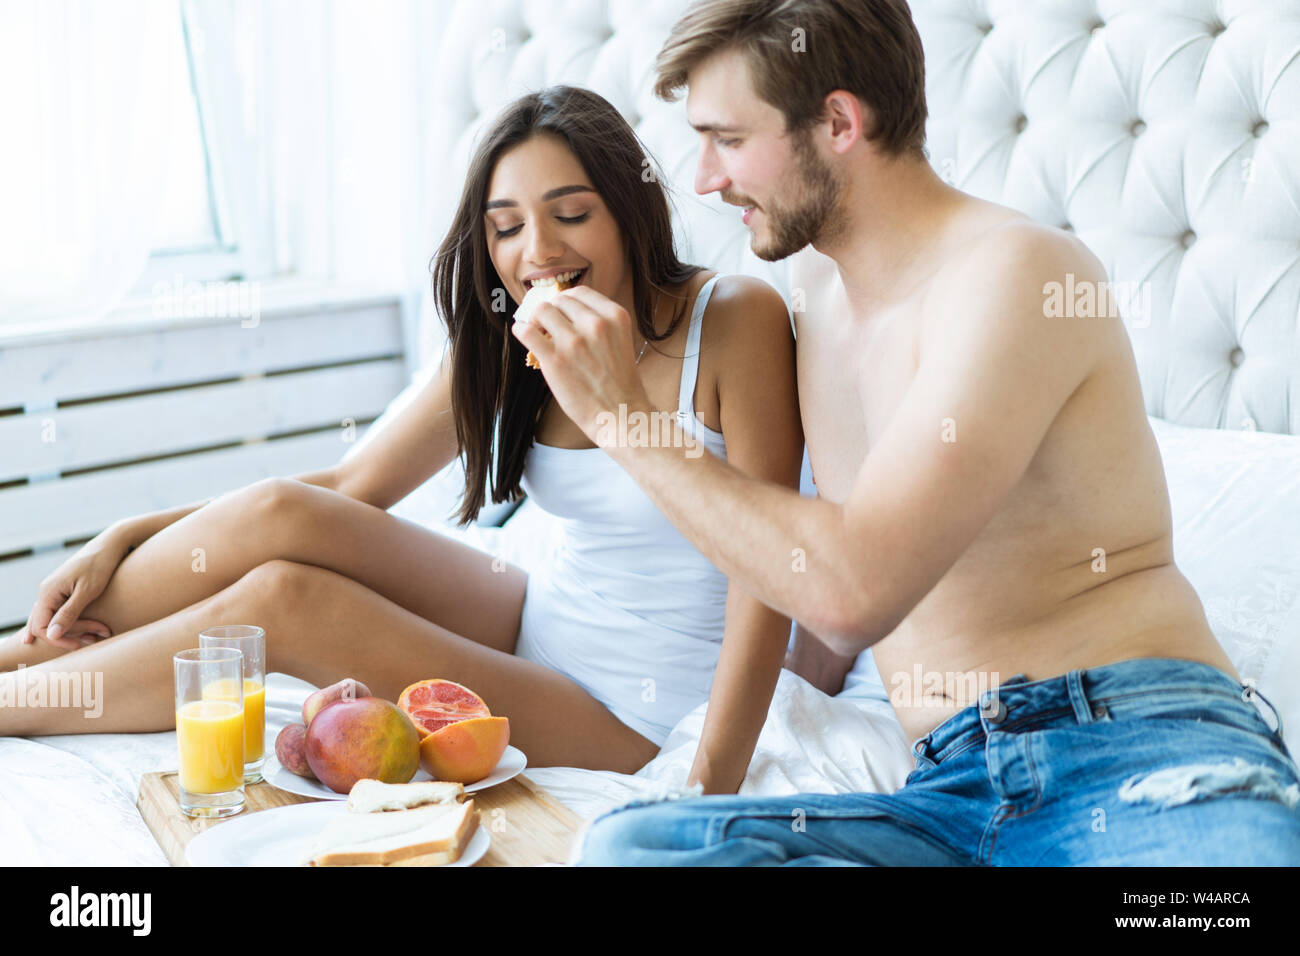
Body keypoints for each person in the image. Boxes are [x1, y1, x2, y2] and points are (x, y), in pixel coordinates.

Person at [510, 1, 1300, 863]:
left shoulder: (1017, 272)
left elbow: (853, 591)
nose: (705, 178)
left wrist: (624, 419)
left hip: (1135, 746)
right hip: (949, 792)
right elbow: (792, 568)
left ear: (840, 122)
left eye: (728, 140)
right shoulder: (804, 293)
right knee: (637, 845)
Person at [0, 85, 804, 792]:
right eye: (506, 228)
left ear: (629, 212)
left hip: (635, 705)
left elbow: (768, 577)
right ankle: (17, 662)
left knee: (285, 602)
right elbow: (352, 489)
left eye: (571, 215)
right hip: (543, 616)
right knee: (286, 511)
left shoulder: (734, 319)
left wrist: (708, 784)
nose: (539, 252)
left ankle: (13, 709)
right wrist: (128, 532)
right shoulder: (515, 335)